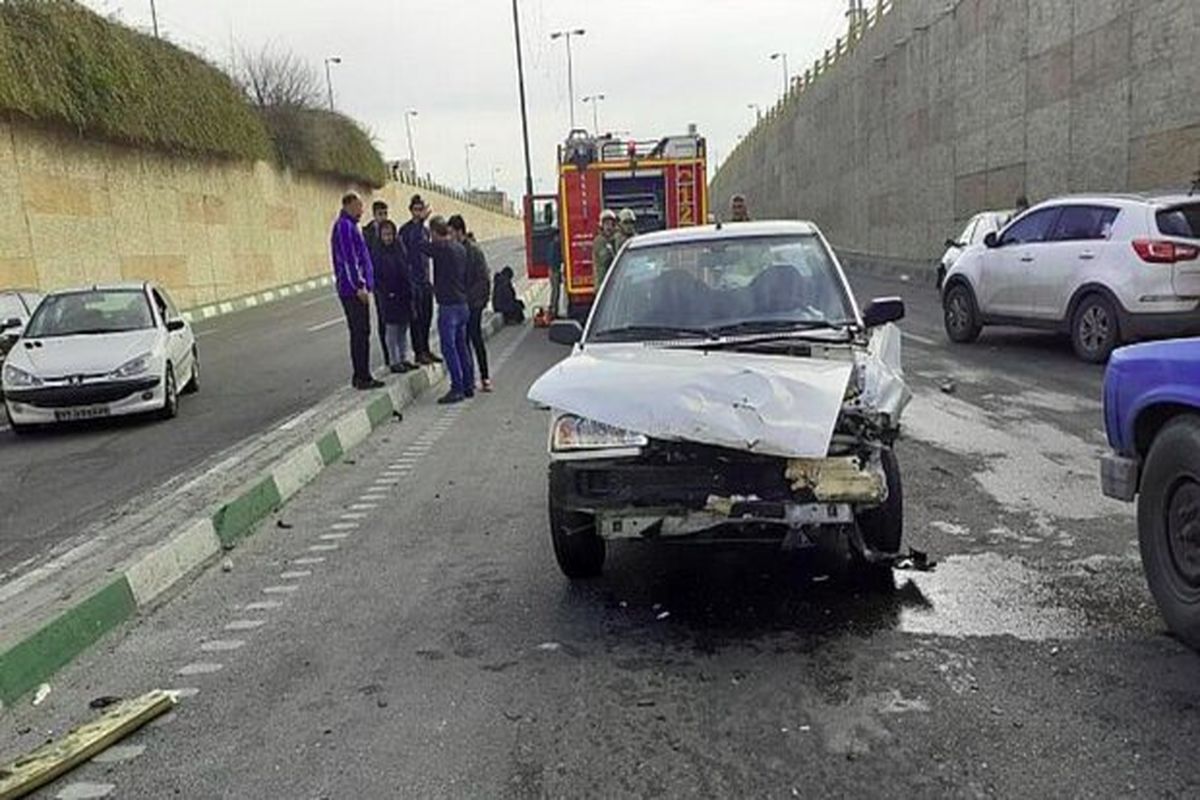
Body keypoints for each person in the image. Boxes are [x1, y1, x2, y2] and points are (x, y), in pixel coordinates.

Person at [330, 193, 383, 390]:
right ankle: (362, 376)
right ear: (349, 205)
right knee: (360, 332)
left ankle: (362, 374)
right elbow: (349, 259)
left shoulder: (351, 226)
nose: (362, 211)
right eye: (359, 207)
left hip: (356, 289)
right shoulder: (344, 226)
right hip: (352, 291)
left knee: (362, 332)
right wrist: (359, 286)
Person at [419, 215, 474, 404]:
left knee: (448, 348)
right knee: (462, 346)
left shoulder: (441, 248)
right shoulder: (460, 248)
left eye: (431, 234)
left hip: (448, 306)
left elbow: (419, 246)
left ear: (434, 233)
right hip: (462, 304)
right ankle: (468, 385)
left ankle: (457, 387)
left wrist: (419, 222)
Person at [450, 215, 494, 392]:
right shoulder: (454, 250)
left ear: (460, 232)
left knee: (475, 339)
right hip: (461, 303)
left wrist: (476, 301)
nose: (450, 236)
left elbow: (483, 279)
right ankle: (469, 378)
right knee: (464, 341)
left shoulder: (474, 251)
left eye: (452, 232)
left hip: (473, 303)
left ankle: (484, 377)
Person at [400, 194, 441, 366]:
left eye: (421, 209)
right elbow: (412, 246)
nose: (418, 213)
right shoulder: (407, 230)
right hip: (413, 281)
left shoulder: (425, 231)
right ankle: (419, 352)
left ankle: (425, 349)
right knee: (416, 320)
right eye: (416, 210)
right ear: (411, 211)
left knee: (427, 317)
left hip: (425, 280)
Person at [374, 220, 417, 373]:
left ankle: (404, 358)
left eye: (390, 234)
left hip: (403, 295)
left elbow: (406, 269)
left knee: (403, 329)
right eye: (385, 235)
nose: (388, 238)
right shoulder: (378, 253)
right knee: (392, 330)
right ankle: (394, 361)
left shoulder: (399, 249)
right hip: (389, 297)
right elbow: (377, 278)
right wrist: (387, 293)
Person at [363, 200, 392, 365]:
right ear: (374, 215)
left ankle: (396, 354)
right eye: (380, 214)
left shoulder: (390, 229)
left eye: (385, 214)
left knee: (394, 319)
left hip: (392, 280)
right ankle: (388, 356)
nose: (383, 217)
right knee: (383, 318)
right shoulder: (367, 233)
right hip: (378, 282)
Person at [543, 203, 563, 317]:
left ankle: (553, 310)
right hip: (554, 270)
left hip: (553, 270)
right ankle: (553, 311)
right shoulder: (555, 245)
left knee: (555, 291)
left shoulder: (552, 244)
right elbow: (556, 260)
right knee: (555, 292)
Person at [591, 209, 619, 290]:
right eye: (606, 224)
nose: (609, 227)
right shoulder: (599, 241)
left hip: (613, 283)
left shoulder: (615, 239)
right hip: (603, 284)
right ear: (601, 225)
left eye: (611, 224)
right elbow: (605, 259)